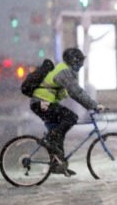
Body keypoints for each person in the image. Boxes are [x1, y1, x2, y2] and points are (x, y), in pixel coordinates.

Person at [30, 47, 104, 177]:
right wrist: (94, 105)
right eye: (79, 62)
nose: (81, 66)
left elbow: (71, 92)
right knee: (71, 117)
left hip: (43, 103)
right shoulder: (65, 71)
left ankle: (58, 164)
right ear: (73, 61)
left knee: (59, 133)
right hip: (42, 103)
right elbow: (76, 92)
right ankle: (50, 139)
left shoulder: (64, 69)